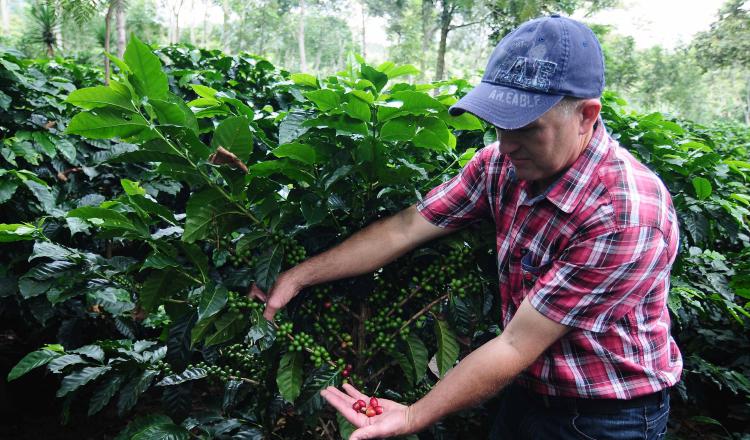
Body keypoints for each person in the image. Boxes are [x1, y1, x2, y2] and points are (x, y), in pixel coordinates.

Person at [249, 14, 682, 440]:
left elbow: (515, 345)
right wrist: (297, 277)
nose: (507, 143)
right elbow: (405, 228)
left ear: (587, 116)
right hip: (528, 391)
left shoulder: (625, 215)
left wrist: (412, 416)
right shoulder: (500, 164)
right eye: (499, 123)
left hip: (606, 414)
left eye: (528, 128)